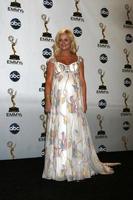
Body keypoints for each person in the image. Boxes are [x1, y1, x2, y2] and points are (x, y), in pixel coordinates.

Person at [42, 28, 120, 181]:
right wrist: (48, 102)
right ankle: (60, 168)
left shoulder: (79, 60)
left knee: (76, 133)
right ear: (58, 42)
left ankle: (78, 166)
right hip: (59, 106)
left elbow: (83, 82)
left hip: (75, 105)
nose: (64, 43)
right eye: (61, 40)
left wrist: (84, 102)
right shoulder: (52, 61)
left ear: (71, 42)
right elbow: (49, 83)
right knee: (61, 133)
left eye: (67, 40)